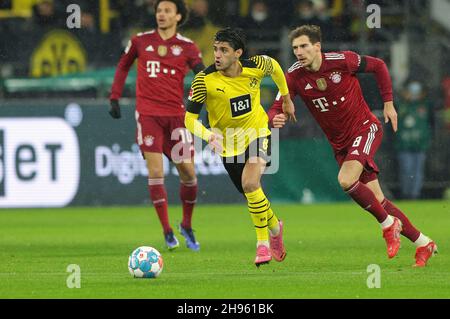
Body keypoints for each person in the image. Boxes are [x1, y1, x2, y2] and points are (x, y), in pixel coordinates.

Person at [268, 25, 437, 267]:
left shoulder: (341, 61)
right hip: (341, 144)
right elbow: (274, 108)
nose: (299, 52)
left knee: (346, 180)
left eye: (304, 46)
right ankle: (424, 243)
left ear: (317, 47)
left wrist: (388, 104)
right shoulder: (293, 76)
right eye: (295, 48)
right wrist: (275, 117)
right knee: (378, 198)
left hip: (365, 128)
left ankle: (389, 225)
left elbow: (378, 65)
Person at [184, 27, 294, 266]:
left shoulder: (255, 66)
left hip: (258, 133)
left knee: (251, 183)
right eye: (215, 49)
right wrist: (208, 135)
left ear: (238, 53)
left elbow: (275, 67)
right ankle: (276, 228)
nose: (217, 55)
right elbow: (188, 119)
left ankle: (262, 245)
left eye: (224, 50)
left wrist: (285, 97)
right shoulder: (204, 80)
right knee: (252, 194)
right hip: (228, 146)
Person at [109, 0, 205, 251]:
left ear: (178, 16)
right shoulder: (140, 41)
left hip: (177, 117)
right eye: (159, 11)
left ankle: (186, 224)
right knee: (156, 172)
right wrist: (115, 96)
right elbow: (123, 66)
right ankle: (167, 230)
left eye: (167, 11)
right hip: (149, 115)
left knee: (189, 173)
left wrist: (212, 100)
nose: (161, 15)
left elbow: (203, 76)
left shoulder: (187, 47)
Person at [395, 81, 433, 199]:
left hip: (420, 145)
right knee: (407, 170)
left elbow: (431, 123)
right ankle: (406, 194)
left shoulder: (425, 105)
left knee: (418, 172)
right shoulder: (399, 105)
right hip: (404, 145)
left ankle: (414, 195)